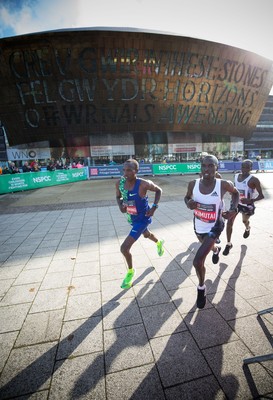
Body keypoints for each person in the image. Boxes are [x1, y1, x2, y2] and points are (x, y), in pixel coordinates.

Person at [184, 155, 239, 309]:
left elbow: (235, 194)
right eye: (204, 166)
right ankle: (216, 249)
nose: (207, 169)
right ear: (200, 168)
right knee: (207, 245)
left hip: (216, 225)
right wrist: (189, 203)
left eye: (210, 166)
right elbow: (187, 197)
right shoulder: (192, 184)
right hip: (199, 225)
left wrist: (233, 209)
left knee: (197, 261)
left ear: (217, 167)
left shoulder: (223, 184)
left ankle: (201, 288)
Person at [116, 159, 164, 289]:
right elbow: (118, 197)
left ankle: (131, 272)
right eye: (124, 170)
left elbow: (159, 190)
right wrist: (121, 205)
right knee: (146, 234)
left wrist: (154, 207)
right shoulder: (120, 183)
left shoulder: (143, 184)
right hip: (132, 218)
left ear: (136, 171)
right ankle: (159, 242)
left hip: (143, 218)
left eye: (129, 170)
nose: (126, 173)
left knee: (124, 248)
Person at [223, 159, 264, 256]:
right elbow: (234, 189)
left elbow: (261, 196)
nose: (244, 169)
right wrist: (231, 192)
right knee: (229, 222)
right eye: (243, 167)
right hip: (236, 203)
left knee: (244, 221)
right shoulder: (236, 175)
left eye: (247, 167)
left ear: (251, 168)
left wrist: (250, 200)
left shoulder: (254, 179)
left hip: (247, 205)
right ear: (240, 167)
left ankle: (247, 228)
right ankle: (229, 244)